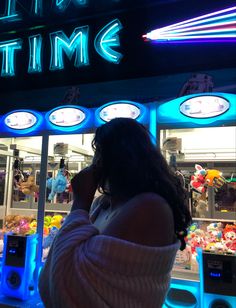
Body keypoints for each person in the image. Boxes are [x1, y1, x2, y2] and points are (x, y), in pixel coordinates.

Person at [39, 118, 192, 308]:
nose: (95, 163)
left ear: (119, 159)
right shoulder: (102, 205)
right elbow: (54, 277)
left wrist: (80, 202)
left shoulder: (149, 207)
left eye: (100, 153)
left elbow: (67, 285)